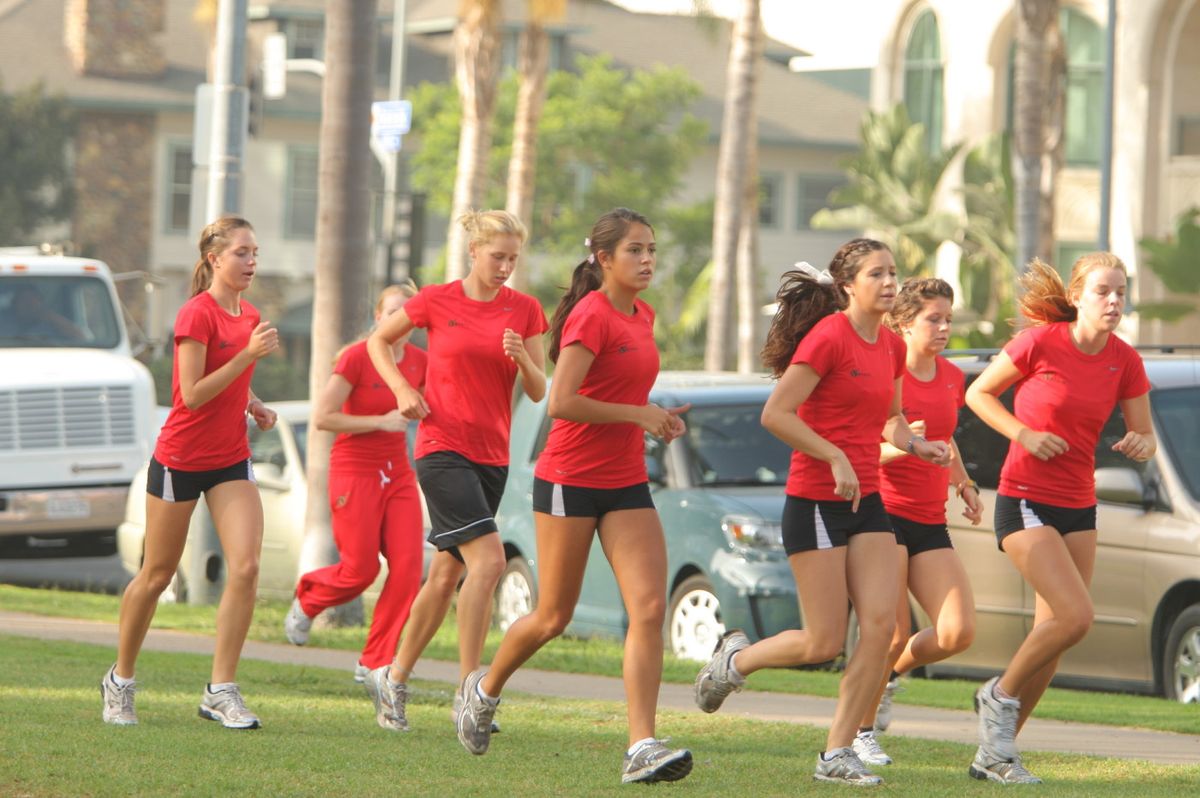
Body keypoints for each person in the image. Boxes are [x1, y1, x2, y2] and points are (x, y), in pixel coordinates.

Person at [692, 239, 950, 787]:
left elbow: (892, 420)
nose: (889, 282)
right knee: (823, 642)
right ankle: (735, 661)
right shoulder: (829, 337)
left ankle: (837, 752)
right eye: (877, 274)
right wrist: (833, 455)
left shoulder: (890, 346)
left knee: (881, 629)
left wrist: (916, 445)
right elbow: (776, 413)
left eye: (893, 272)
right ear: (848, 285)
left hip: (867, 501)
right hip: (814, 501)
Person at [454, 207, 694, 784]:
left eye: (651, 250)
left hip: (626, 480)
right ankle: (482, 691)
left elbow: (623, 392)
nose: (647, 260)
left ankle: (641, 745)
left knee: (649, 608)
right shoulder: (591, 315)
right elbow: (560, 402)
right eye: (635, 250)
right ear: (604, 259)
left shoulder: (644, 315)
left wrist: (655, 417)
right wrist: (638, 414)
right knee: (553, 616)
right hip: (569, 480)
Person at [963, 254, 1154, 784]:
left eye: (1121, 292)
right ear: (1076, 297)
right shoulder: (1040, 343)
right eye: (1102, 291)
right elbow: (977, 393)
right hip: (1024, 498)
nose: (1114, 301)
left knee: (1055, 635)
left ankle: (996, 754)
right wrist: (1023, 434)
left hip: (1079, 506)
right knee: (1076, 617)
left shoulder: (1125, 360)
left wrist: (1143, 443)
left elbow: (1145, 434)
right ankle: (998, 693)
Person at [363, 210, 547, 733]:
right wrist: (402, 387)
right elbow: (378, 342)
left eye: (513, 259)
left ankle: (393, 678)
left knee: (447, 574)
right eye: (497, 257)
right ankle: (471, 691)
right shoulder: (436, 300)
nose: (505, 267)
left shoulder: (525, 310)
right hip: (442, 448)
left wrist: (523, 358)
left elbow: (539, 390)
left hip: (493, 457)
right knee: (488, 562)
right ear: (473, 252)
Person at [100, 215, 279, 729]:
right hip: (180, 460)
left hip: (230, 460)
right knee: (157, 575)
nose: (251, 262)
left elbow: (231, 378)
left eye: (255, 253)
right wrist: (246, 356)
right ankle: (120, 681)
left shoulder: (249, 314)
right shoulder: (196, 314)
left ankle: (221, 690)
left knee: (246, 568)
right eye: (242, 253)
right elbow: (193, 393)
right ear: (214, 260)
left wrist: (253, 402)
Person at [851, 277, 983, 768]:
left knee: (957, 632)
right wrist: (906, 447)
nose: (944, 327)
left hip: (930, 519)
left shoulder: (951, 375)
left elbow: (946, 438)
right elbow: (858, 449)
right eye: (934, 319)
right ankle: (860, 732)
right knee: (889, 633)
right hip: (882, 514)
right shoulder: (884, 372)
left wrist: (964, 483)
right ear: (904, 323)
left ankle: (886, 678)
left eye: (948, 318)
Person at [283, 284, 428, 688]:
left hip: (397, 472)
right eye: (393, 312)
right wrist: (380, 422)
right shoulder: (357, 357)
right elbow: (323, 417)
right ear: (379, 317)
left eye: (409, 313)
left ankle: (374, 661)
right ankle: (309, 599)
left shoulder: (421, 362)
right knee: (361, 570)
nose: (401, 320)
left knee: (408, 570)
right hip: (354, 469)